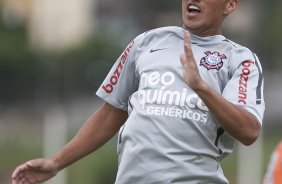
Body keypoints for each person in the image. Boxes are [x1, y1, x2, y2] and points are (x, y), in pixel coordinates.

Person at [12, 0, 265, 183]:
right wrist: (56, 162)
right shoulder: (146, 43)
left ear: (230, 5)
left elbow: (249, 130)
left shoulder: (240, 59)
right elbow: (111, 113)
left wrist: (201, 87)